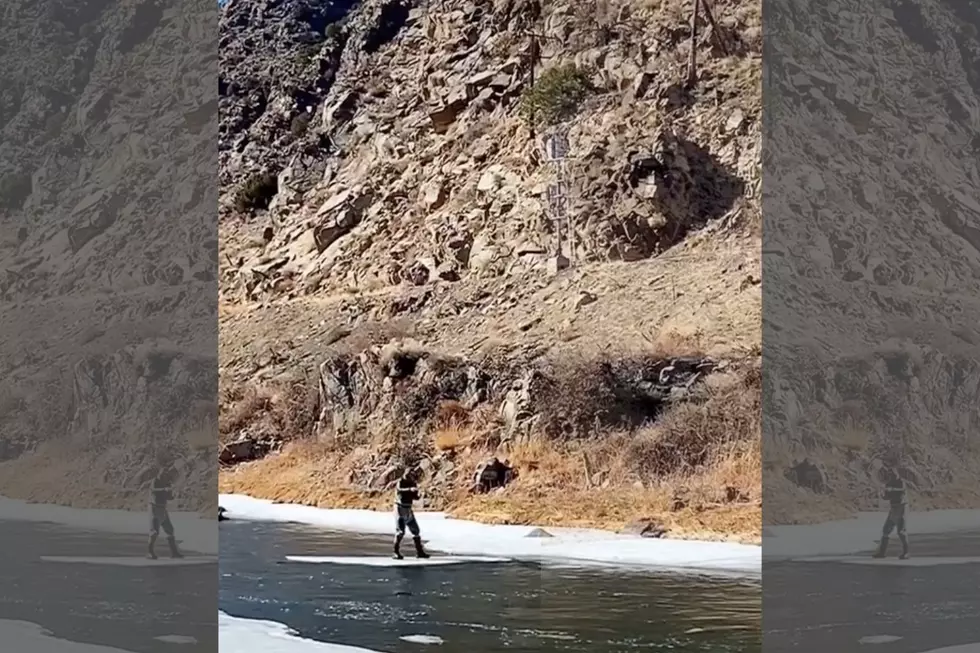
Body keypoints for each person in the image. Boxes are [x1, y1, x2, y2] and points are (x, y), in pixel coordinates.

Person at [148, 463, 184, 560]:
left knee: (170, 530)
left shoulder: (167, 483)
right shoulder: (155, 481)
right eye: (163, 473)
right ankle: (150, 552)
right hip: (154, 509)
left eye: (166, 473)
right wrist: (164, 489)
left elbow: (169, 497)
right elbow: (153, 490)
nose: (164, 475)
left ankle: (174, 552)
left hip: (163, 509)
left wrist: (172, 494)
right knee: (154, 532)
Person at [873, 468, 909, 559]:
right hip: (893, 508)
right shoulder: (888, 483)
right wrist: (882, 494)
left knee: (901, 531)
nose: (891, 476)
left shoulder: (900, 481)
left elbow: (902, 489)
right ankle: (882, 552)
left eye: (893, 474)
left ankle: (906, 552)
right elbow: (887, 497)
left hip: (901, 508)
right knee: (886, 530)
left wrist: (891, 489)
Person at [393, 469, 429, 560]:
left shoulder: (413, 483)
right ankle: (395, 552)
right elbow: (400, 490)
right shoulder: (401, 482)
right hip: (399, 509)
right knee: (400, 531)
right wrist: (410, 489)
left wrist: (419, 495)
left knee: (416, 530)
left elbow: (415, 497)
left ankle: (419, 551)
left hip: (408, 509)